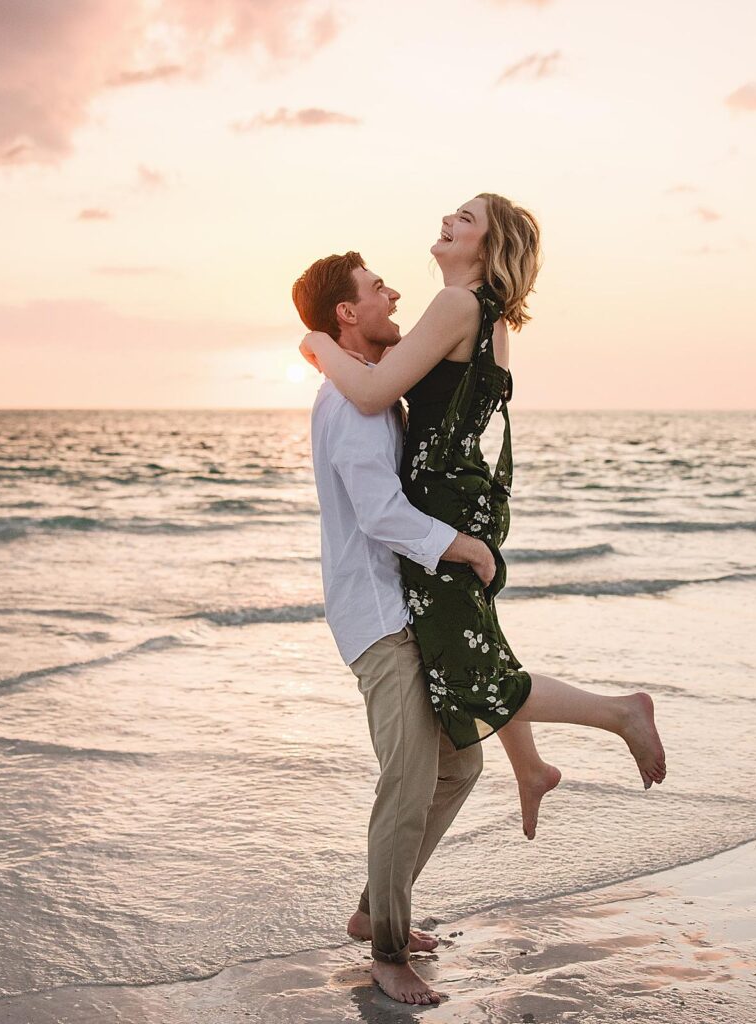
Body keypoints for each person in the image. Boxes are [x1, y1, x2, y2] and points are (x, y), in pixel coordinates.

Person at [299, 195, 668, 846]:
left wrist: (318, 342)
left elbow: (371, 391)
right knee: (473, 643)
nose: (449, 220)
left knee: (473, 668)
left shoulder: (454, 306)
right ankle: (529, 767)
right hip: (465, 496)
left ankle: (620, 714)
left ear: (488, 247)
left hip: (440, 504)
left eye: (466, 219)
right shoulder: (490, 319)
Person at [295, 251, 499, 1005]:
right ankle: (385, 951)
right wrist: (464, 546)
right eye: (377, 291)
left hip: (401, 607)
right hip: (378, 618)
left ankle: (375, 908)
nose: (393, 298)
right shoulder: (349, 406)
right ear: (347, 314)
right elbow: (380, 515)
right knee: (409, 780)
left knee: (459, 767)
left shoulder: (368, 394)